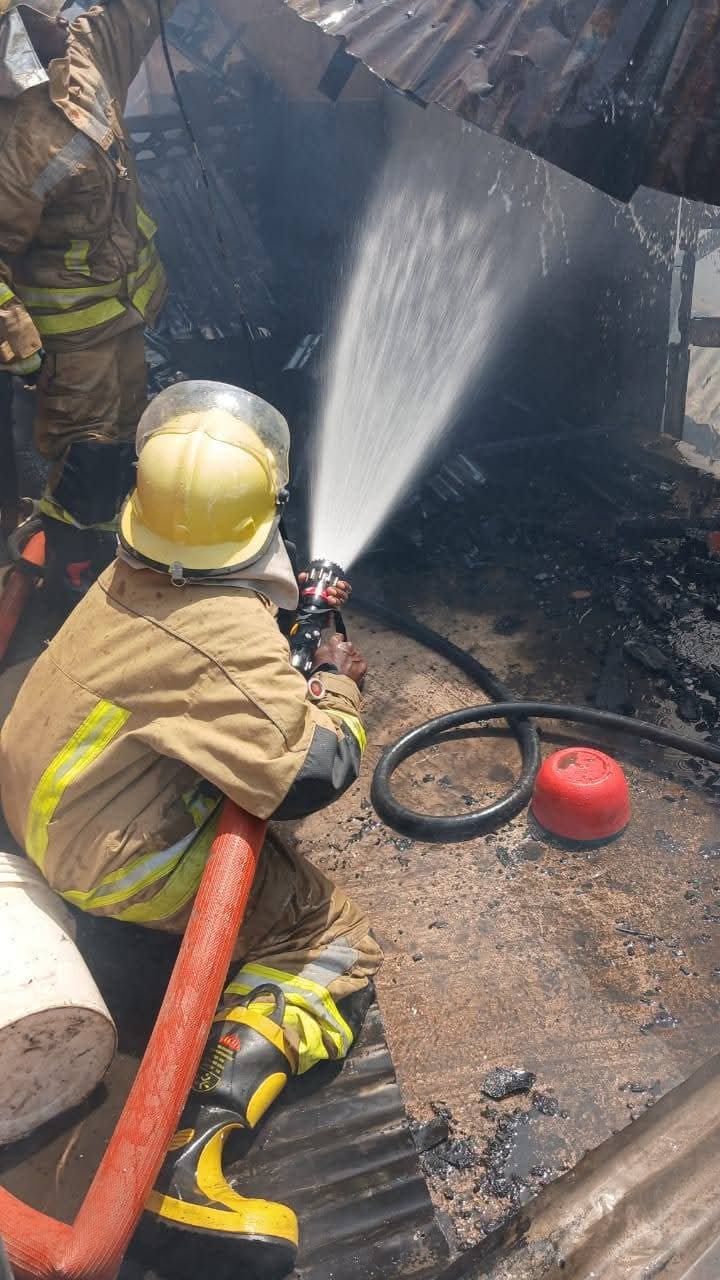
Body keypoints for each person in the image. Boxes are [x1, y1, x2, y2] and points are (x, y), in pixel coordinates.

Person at [0, 380, 381, 1275]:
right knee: (332, 937)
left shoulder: (126, 566)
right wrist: (337, 684)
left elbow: (199, 674)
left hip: (38, 810)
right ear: (263, 512)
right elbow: (306, 774)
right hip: (108, 864)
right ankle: (186, 1154)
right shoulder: (224, 634)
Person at [0, 0, 176, 604]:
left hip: (124, 314)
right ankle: (72, 594)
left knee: (125, 439)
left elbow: (134, 11)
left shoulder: (86, 60)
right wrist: (17, 340)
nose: (61, 16)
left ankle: (108, 560)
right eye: (40, 12)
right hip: (72, 342)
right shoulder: (13, 140)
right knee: (89, 457)